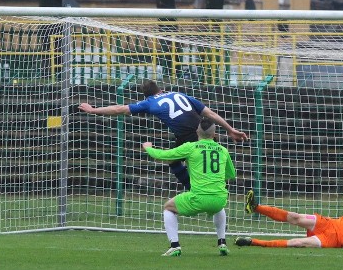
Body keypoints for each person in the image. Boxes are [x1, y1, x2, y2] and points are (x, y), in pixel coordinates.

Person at [79, 79, 248, 190]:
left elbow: (119, 109)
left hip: (189, 136)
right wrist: (230, 129)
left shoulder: (150, 102)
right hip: (205, 131)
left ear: (146, 96)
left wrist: (93, 110)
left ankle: (195, 190)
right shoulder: (180, 94)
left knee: (178, 164)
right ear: (161, 89)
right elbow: (210, 114)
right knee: (183, 163)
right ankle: (204, 191)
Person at [142, 118, 236, 257]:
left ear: (197, 131)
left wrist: (148, 147)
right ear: (214, 134)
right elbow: (230, 174)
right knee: (218, 207)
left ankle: (175, 246)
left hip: (198, 198)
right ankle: (222, 242)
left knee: (168, 207)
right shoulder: (223, 150)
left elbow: (163, 155)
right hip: (219, 198)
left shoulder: (190, 147)